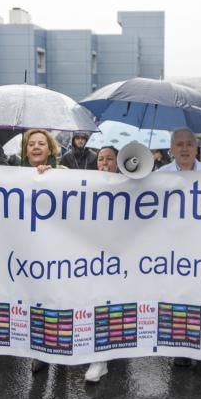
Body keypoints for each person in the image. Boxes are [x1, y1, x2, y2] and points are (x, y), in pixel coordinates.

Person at [158, 128, 201, 378]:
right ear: (171, 149)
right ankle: (181, 349)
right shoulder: (159, 176)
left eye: (189, 144)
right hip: (174, 249)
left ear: (197, 148)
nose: (184, 149)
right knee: (179, 300)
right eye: (179, 144)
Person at [18, 129, 67, 374]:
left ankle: (61, 346)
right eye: (31, 144)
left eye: (41, 144)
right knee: (33, 299)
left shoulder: (64, 174)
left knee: (56, 299)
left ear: (50, 150)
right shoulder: (10, 174)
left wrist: (53, 178)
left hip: (57, 248)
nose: (36, 147)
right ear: (25, 151)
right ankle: (41, 350)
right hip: (26, 248)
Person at [81, 145, 121, 383]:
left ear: (118, 161)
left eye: (110, 159)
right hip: (93, 253)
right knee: (97, 302)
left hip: (121, 255)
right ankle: (99, 358)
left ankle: (105, 355)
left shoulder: (131, 182)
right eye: (101, 159)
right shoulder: (85, 182)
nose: (104, 162)